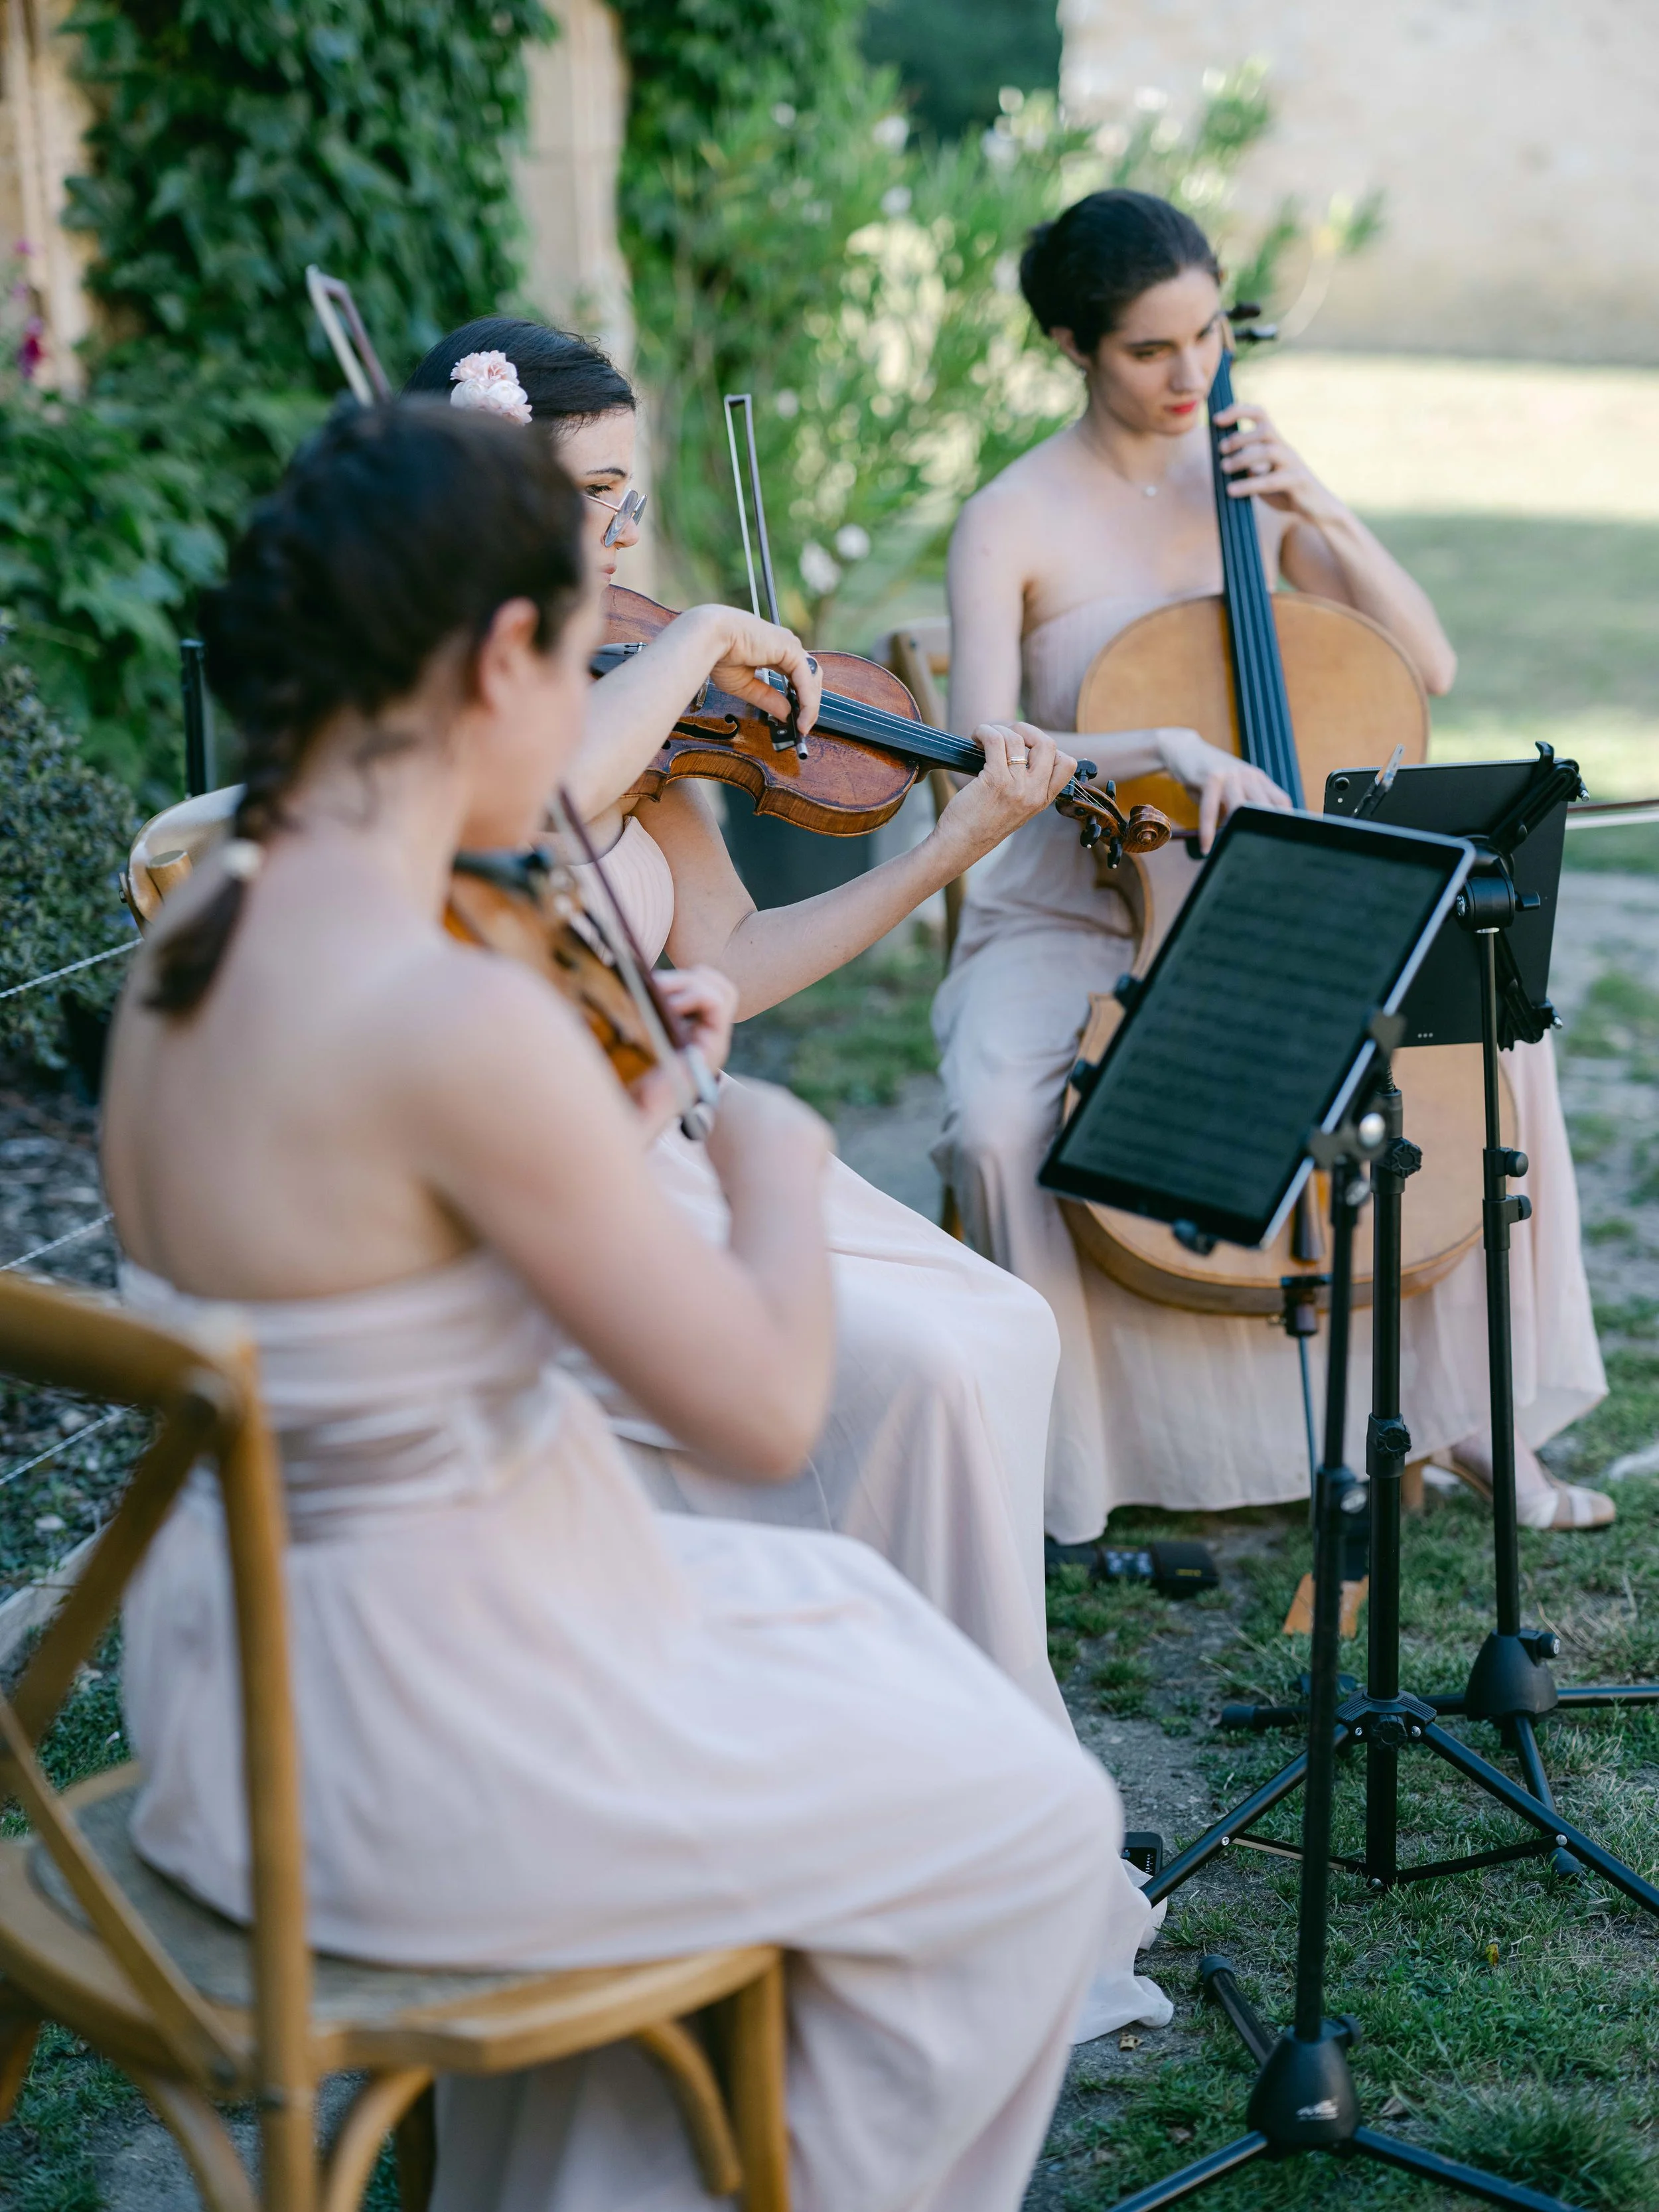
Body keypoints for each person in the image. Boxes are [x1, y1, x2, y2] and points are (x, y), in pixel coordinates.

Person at [102, 403, 1165, 2212]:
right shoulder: (450, 1006)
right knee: (1042, 1830)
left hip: (232, 1690)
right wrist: (761, 1140)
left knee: (837, 1598)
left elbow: (382, 1260)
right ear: (511, 655)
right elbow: (759, 1409)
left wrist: (599, 1089)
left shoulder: (200, 928)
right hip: (404, 1755)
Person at [405, 320, 1088, 1723]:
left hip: (664, 1134)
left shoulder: (634, 705)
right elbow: (527, 808)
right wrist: (707, 633)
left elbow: (735, 952)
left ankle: (955, 1722)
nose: (614, 535)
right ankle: (908, 1732)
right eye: (579, 496)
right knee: (932, 1367)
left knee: (1003, 1324)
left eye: (623, 495)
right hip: (530, 1181)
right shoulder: (435, 696)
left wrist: (944, 848)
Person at [932, 188, 1608, 1543]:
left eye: (1204, 335)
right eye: (1146, 350)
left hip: (1280, 890)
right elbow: (981, 753)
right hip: (1084, 902)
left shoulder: (1249, 480)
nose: (1190, 376)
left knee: (1495, 1054)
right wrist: (1155, 742)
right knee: (994, 1132)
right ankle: (1069, 1472)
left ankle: (1476, 1423)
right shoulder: (1008, 519)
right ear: (1072, 344)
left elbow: (1422, 665)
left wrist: (1324, 510)